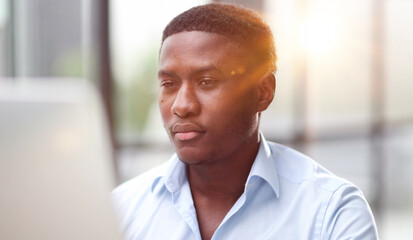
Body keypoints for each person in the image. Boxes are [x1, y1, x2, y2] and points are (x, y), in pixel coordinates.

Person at [112, 3, 378, 240]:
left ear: (263, 92)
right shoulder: (120, 211)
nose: (182, 106)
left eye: (207, 82)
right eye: (169, 84)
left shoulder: (333, 212)